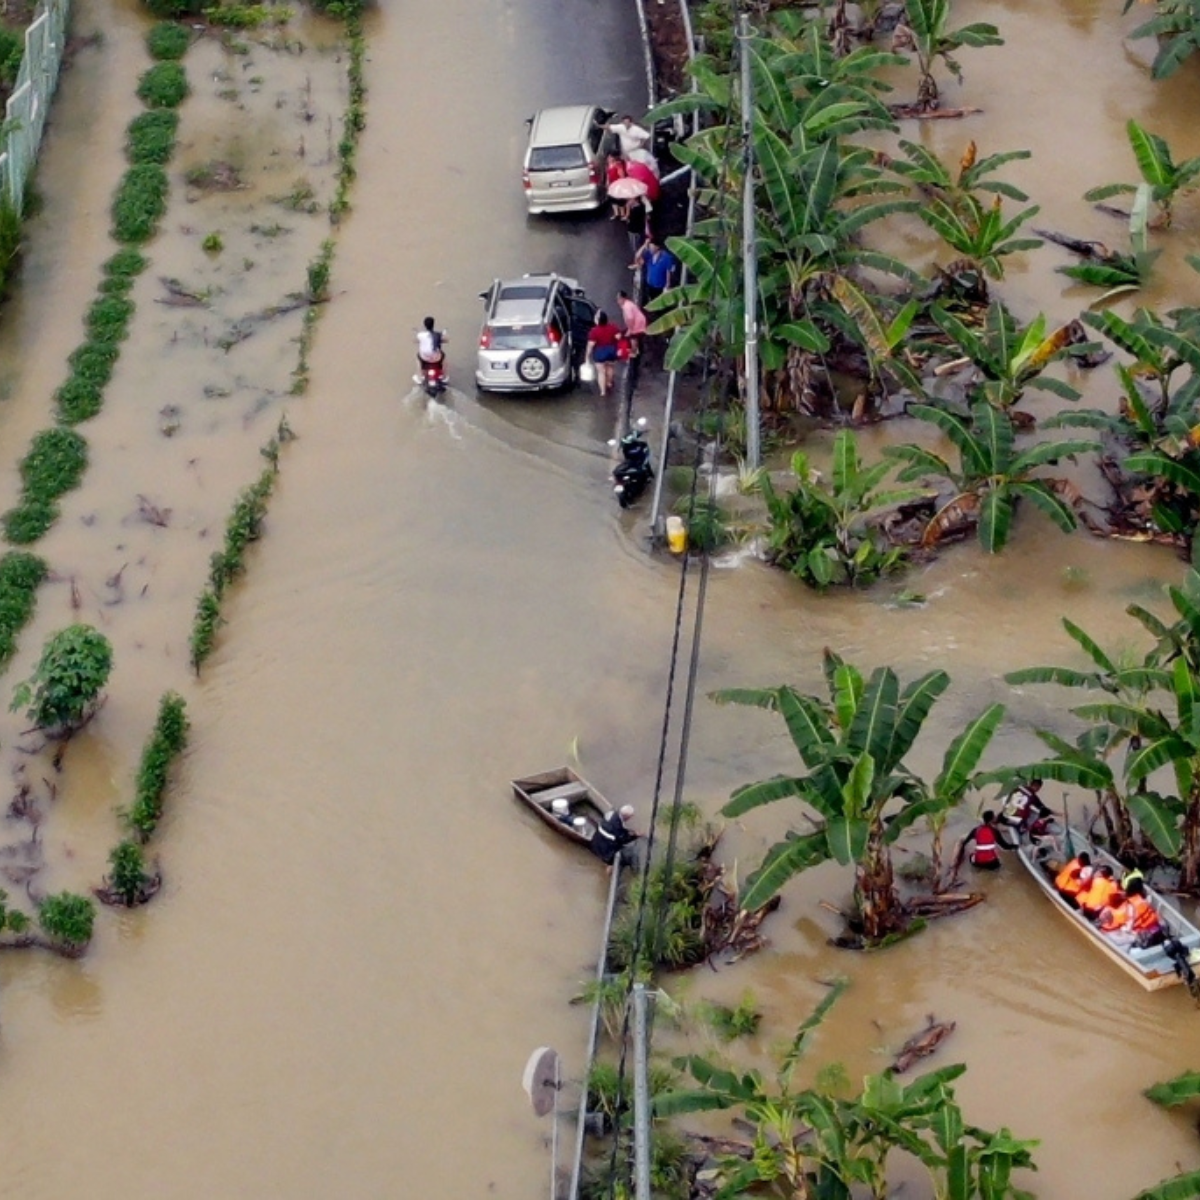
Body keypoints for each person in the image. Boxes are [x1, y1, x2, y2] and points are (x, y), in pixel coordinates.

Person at [585, 310, 622, 397]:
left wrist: (586, 357)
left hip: (599, 354)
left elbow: (590, 345)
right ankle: (609, 382)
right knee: (610, 368)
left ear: (597, 320)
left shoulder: (594, 331)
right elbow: (619, 337)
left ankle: (603, 391)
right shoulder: (613, 327)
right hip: (611, 352)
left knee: (601, 372)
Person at [634, 239, 678, 304]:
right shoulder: (648, 255)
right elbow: (637, 257)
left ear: (657, 247)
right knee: (651, 300)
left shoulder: (666, 257)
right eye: (649, 246)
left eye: (652, 246)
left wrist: (667, 285)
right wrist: (644, 245)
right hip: (650, 285)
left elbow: (668, 272)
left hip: (660, 287)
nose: (650, 248)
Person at [616, 290, 648, 358]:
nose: (618, 301)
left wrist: (630, 330)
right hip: (638, 322)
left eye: (619, 298)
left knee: (633, 337)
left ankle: (634, 351)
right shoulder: (627, 304)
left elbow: (630, 318)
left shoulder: (626, 307)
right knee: (632, 336)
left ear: (623, 298)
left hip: (637, 324)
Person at [606, 153, 630, 219]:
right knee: (613, 200)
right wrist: (607, 184)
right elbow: (608, 176)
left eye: (610, 157)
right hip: (612, 185)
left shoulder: (617, 165)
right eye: (608, 158)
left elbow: (622, 175)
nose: (608, 159)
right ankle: (616, 213)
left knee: (620, 200)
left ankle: (622, 214)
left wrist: (621, 184)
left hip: (617, 185)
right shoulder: (608, 166)